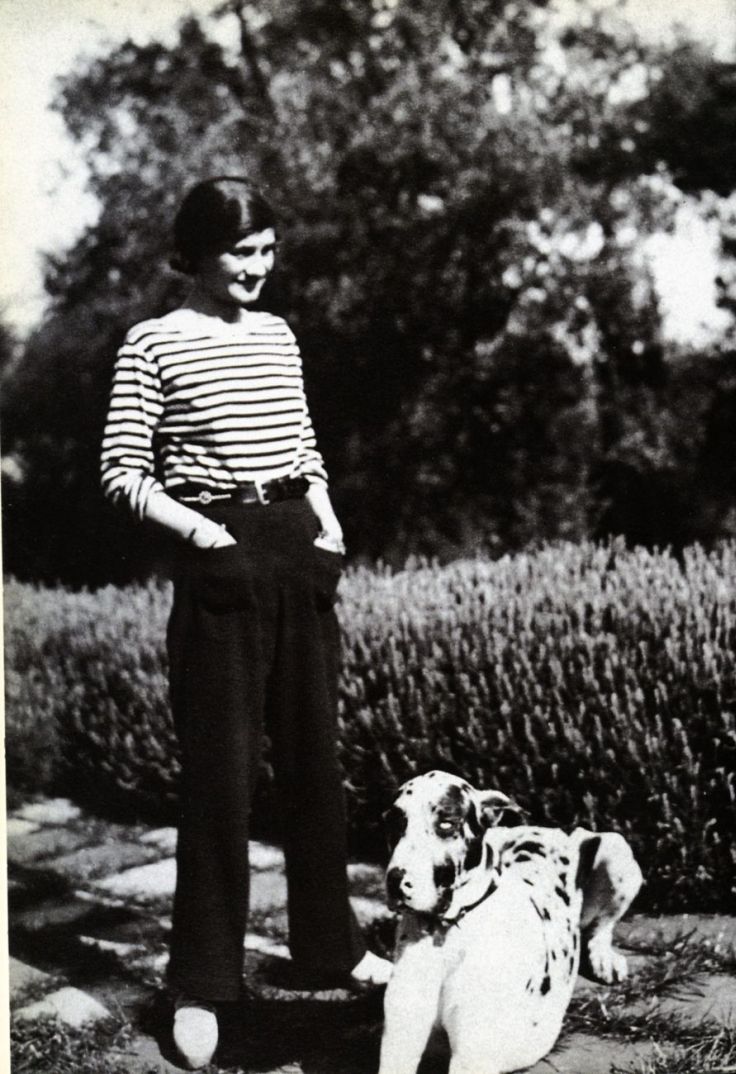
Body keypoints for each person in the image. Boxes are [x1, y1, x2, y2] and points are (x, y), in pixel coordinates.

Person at [101, 177, 390, 1070]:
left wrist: (330, 523)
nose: (260, 269)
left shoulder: (277, 335)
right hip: (218, 556)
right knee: (220, 784)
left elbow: (304, 451)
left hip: (296, 550)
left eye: (268, 251)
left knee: (315, 764)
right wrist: (205, 533)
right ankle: (201, 984)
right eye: (241, 253)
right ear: (197, 253)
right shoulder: (152, 344)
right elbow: (122, 472)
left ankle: (328, 951)